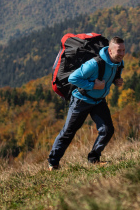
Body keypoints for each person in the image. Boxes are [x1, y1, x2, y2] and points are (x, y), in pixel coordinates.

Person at [48, 37, 125, 170]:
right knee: (69, 132)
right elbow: (73, 78)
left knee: (107, 130)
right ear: (110, 51)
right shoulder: (94, 64)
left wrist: (116, 81)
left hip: (99, 101)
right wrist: (92, 86)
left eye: (123, 50)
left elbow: (108, 76)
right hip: (81, 100)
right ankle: (53, 163)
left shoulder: (118, 63)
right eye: (119, 51)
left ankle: (94, 159)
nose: (122, 54)